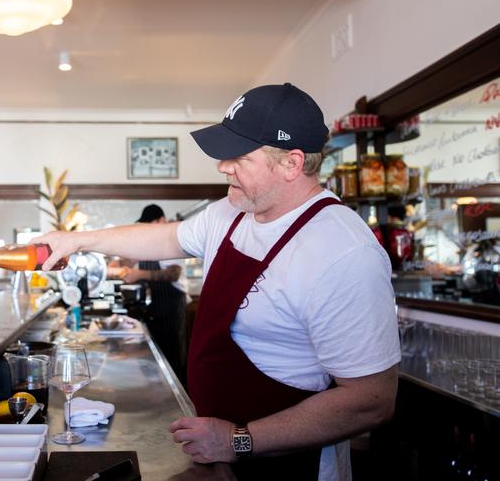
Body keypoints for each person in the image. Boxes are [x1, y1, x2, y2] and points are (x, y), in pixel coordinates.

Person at [32, 83, 400, 481]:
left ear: (292, 164)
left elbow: (370, 400)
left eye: (238, 156)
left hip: (289, 465)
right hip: (215, 452)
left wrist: (239, 439)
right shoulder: (231, 211)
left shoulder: (343, 251)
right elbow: (168, 238)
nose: (223, 166)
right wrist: (78, 240)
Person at [117, 204, 189, 382]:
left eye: (151, 225)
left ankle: (180, 400)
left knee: (172, 359)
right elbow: (123, 263)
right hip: (152, 312)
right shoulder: (148, 244)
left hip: (171, 310)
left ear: (162, 221)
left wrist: (139, 274)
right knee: (153, 360)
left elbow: (174, 273)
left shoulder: (171, 242)